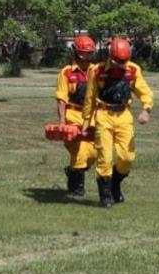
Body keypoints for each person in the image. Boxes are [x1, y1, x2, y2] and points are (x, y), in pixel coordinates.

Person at [83, 36, 153, 208]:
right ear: (110, 56)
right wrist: (86, 123)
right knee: (104, 158)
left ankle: (115, 184)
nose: (122, 64)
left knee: (127, 157)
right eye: (118, 61)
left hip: (124, 116)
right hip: (103, 115)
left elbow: (145, 92)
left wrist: (146, 109)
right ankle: (105, 196)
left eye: (125, 60)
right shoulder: (97, 71)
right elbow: (89, 98)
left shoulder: (133, 70)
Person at [54, 34, 99, 196]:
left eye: (89, 53)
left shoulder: (97, 71)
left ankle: (72, 172)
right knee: (79, 152)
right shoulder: (66, 73)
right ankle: (77, 187)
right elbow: (61, 99)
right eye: (83, 53)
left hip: (92, 117)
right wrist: (62, 122)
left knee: (94, 153)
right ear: (75, 52)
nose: (86, 57)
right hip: (72, 116)